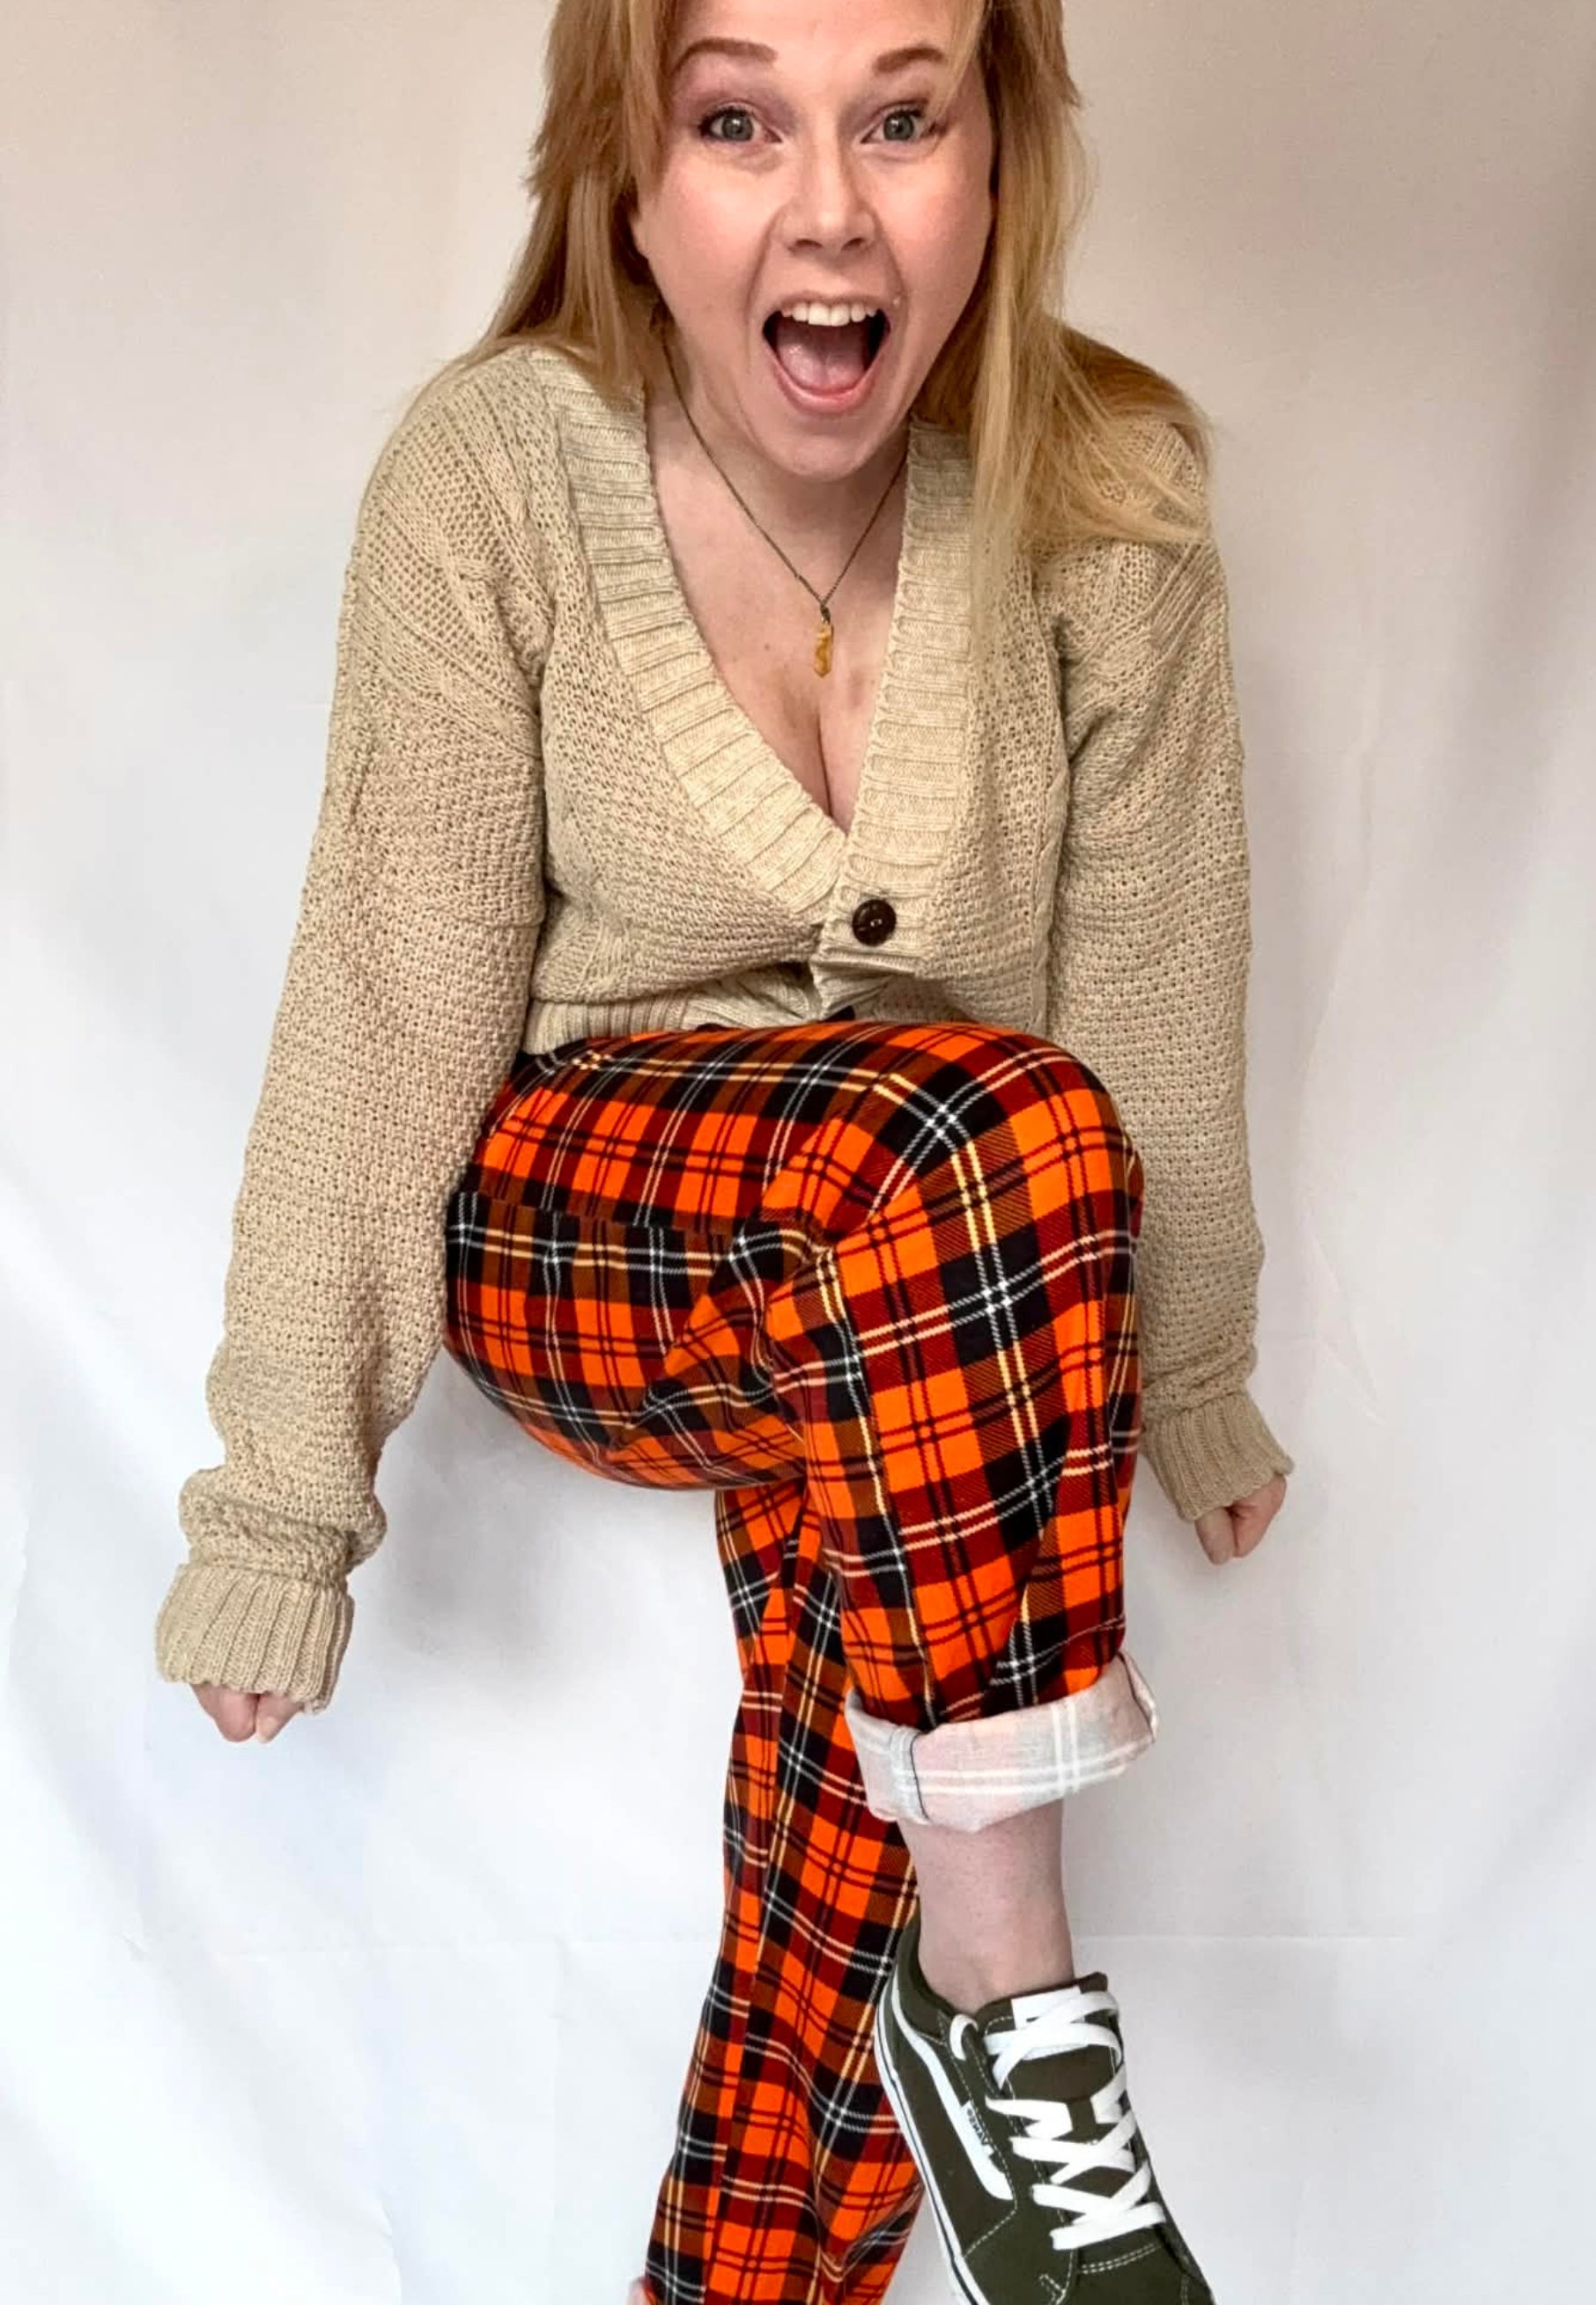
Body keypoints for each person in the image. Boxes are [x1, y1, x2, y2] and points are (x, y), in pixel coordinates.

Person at [153, 0, 1294, 2299]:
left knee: (855, 1708)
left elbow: (1157, 974)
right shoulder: (498, 474)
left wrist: (1171, 1374)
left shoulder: (1110, 488)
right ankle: (1016, 2004)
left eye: (902, 112)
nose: (829, 206)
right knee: (979, 1133)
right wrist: (283, 1506)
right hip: (589, 1220)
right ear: (631, 163)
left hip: (944, 1267)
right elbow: (384, 998)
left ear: (1001, 139)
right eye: (739, 116)